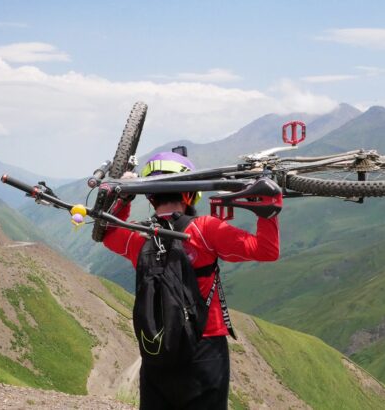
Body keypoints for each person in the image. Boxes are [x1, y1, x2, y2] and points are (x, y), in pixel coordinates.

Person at [102, 151, 280, 410]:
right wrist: (268, 208)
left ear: (150, 196)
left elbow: (106, 234)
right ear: (189, 193)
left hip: (157, 349)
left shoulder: (136, 236)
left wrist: (124, 195)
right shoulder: (205, 229)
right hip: (204, 347)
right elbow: (267, 250)